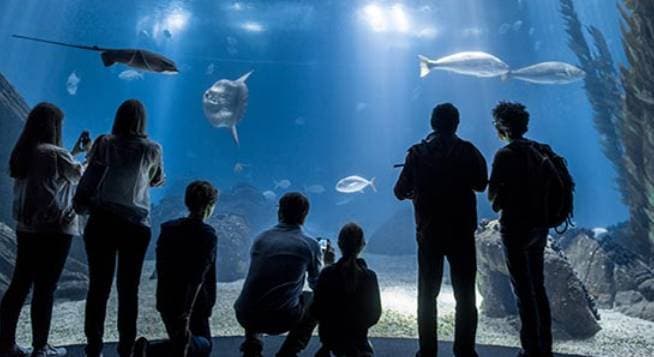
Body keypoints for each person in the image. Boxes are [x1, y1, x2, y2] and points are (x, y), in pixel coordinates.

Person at [394, 103, 488, 357]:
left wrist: (417, 190)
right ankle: (465, 350)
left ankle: (427, 351)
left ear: (432, 123)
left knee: (427, 294)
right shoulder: (468, 150)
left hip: (429, 232)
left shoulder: (417, 152)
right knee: (465, 294)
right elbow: (481, 184)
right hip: (461, 231)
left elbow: (399, 191)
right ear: (456, 124)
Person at [0, 103, 90, 357]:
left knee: (19, 284)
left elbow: (56, 172)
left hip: (26, 227)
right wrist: (89, 154)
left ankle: (4, 342)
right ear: (54, 126)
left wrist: (73, 151)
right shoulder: (55, 153)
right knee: (45, 287)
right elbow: (75, 174)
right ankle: (41, 347)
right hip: (55, 229)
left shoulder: (24, 152)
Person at [82, 99, 165, 357]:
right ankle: (126, 347)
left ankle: (93, 345)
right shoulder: (152, 148)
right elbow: (157, 179)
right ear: (143, 121)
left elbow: (91, 176)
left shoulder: (104, 143)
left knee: (98, 286)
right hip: (135, 225)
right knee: (128, 290)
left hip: (102, 220)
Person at [488, 101, 553, 357]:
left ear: (504, 127)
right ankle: (545, 348)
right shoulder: (541, 150)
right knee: (538, 286)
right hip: (540, 227)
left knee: (522, 289)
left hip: (515, 228)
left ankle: (530, 350)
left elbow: (493, 199)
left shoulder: (504, 155)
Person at [234, 192, 334, 357]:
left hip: (245, 315)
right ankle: (289, 351)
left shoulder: (261, 238)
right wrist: (328, 264)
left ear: (279, 212)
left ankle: (253, 342)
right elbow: (318, 286)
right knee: (316, 299)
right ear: (304, 215)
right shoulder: (310, 244)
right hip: (280, 319)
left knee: (259, 290)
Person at [131, 180, 218, 357]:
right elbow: (197, 277)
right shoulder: (207, 234)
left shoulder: (168, 229)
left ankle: (147, 351)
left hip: (167, 297)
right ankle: (150, 350)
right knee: (203, 345)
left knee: (180, 344)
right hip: (195, 304)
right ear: (210, 205)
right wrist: (187, 313)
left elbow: (161, 264)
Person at [312, 223, 382, 357]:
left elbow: (316, 310)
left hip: (330, 335)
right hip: (358, 335)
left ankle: (328, 346)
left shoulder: (327, 273)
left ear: (339, 244)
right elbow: (375, 314)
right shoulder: (369, 276)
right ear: (363, 244)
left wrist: (328, 265)